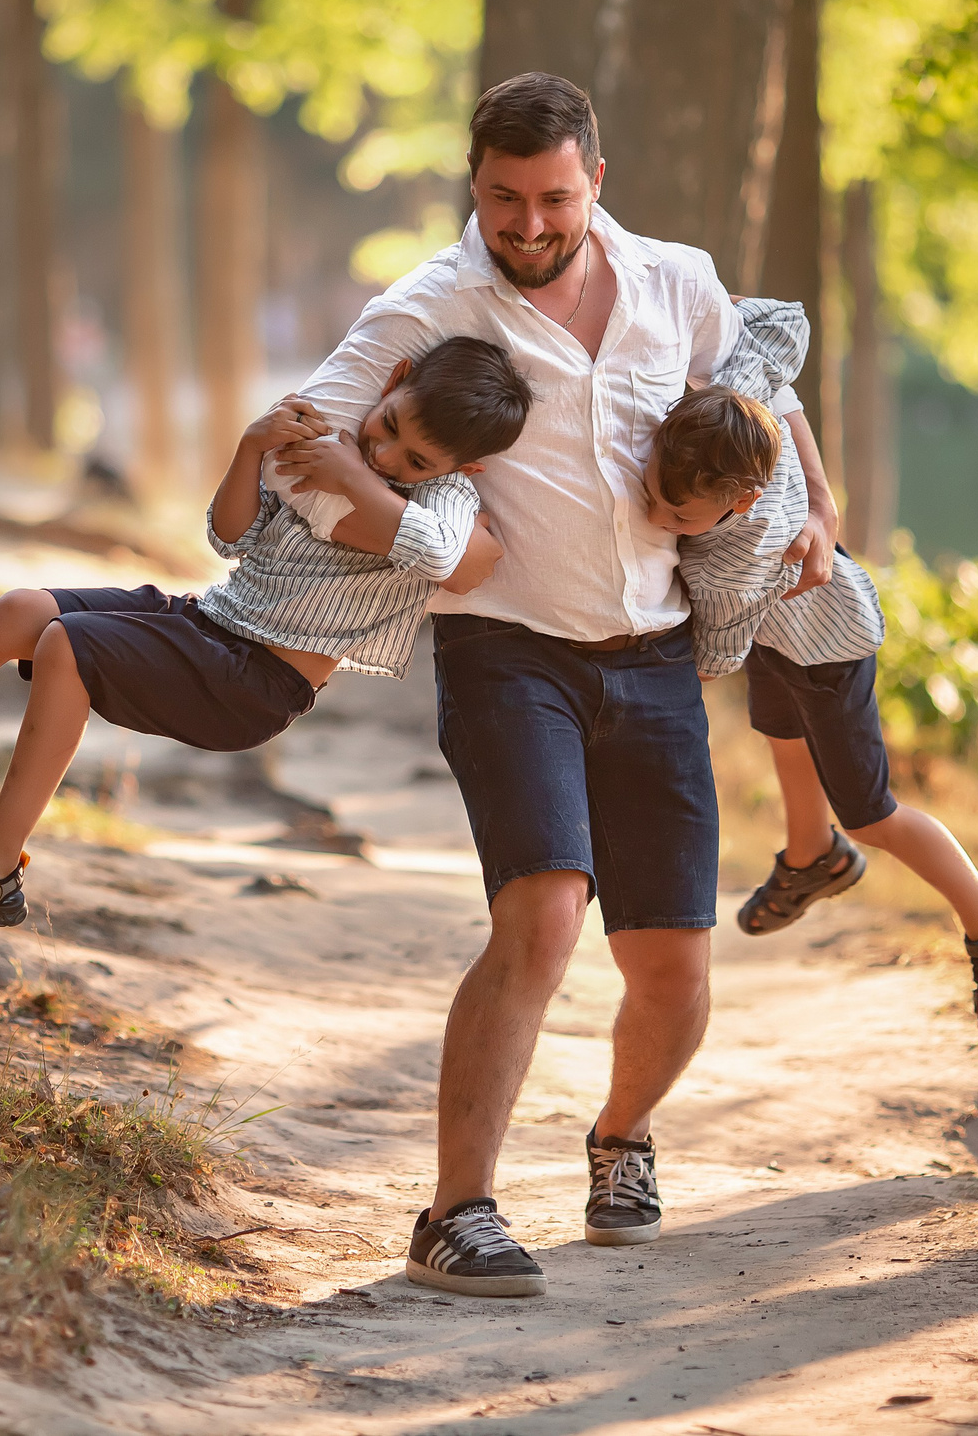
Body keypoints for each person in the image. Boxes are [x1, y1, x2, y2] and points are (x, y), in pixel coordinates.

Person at [280, 71, 819, 1299]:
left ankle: (620, 1140)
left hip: (655, 654)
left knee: (673, 969)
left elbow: (765, 399)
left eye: (554, 200)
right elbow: (308, 452)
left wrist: (819, 512)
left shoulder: (677, 280)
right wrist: (418, 534)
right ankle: (453, 1214)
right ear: (472, 184)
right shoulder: (425, 306)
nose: (529, 226)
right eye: (504, 199)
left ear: (596, 180)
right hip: (505, 648)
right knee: (542, 916)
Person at [0, 335, 533, 929]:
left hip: (254, 682)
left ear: (457, 471)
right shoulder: (327, 440)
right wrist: (252, 445)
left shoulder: (438, 504)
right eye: (386, 425)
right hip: (207, 621)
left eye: (414, 459)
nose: (386, 453)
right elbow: (228, 538)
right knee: (21, 611)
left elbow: (443, 556)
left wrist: (360, 477)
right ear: (389, 383)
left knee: (67, 647)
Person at [639, 338, 978, 1037]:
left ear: (742, 503)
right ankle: (811, 856)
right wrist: (730, 320)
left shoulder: (740, 556)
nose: (658, 518)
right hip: (784, 631)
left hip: (829, 645)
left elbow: (716, 654)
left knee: (870, 812)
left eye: (676, 518)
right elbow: (776, 347)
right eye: (652, 498)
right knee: (783, 736)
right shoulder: (728, 425)